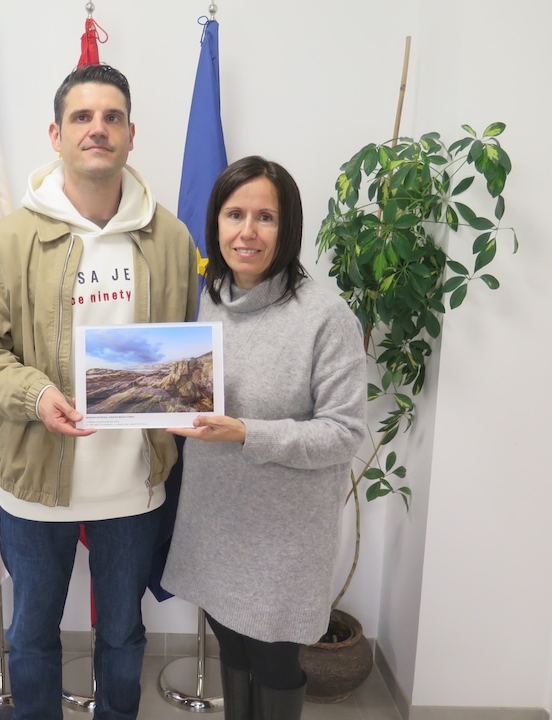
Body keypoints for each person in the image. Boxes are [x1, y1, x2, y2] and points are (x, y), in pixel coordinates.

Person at [0, 64, 198, 720]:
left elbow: (184, 347)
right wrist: (34, 396)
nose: (98, 129)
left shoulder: (171, 239)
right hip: (35, 483)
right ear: (56, 134)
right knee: (32, 636)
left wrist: (188, 397)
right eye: (83, 118)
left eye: (112, 117)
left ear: (132, 133)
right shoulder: (7, 241)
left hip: (135, 484)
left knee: (122, 636)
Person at [160, 156, 366, 720]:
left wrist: (247, 432)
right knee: (232, 646)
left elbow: (344, 434)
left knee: (275, 663)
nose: (247, 232)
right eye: (234, 214)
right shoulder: (202, 303)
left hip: (282, 537)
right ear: (215, 225)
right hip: (215, 518)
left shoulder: (326, 317)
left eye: (265, 217)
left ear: (289, 227)